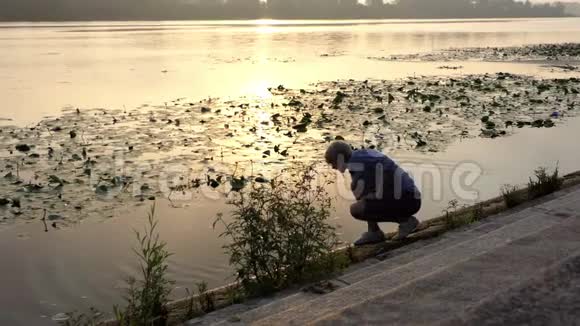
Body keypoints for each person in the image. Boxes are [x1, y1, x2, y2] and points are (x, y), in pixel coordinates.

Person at [325, 141, 421, 246]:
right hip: (413, 196)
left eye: (333, 163)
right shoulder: (362, 155)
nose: (333, 167)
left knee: (356, 209)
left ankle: (405, 221)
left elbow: (386, 178)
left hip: (408, 200)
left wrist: (373, 196)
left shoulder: (359, 164)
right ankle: (374, 231)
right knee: (360, 192)